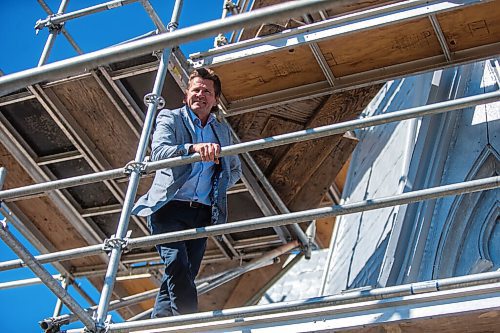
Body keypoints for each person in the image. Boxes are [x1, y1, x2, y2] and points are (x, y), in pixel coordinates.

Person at [131, 68, 242, 317]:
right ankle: (189, 322)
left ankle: (159, 323)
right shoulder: (170, 117)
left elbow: (234, 170)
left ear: (215, 100)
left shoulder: (222, 132)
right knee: (177, 265)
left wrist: (217, 185)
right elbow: (158, 153)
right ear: (186, 95)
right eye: (196, 89)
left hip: (201, 212)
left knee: (182, 274)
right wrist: (192, 148)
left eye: (207, 92)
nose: (201, 95)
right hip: (168, 207)